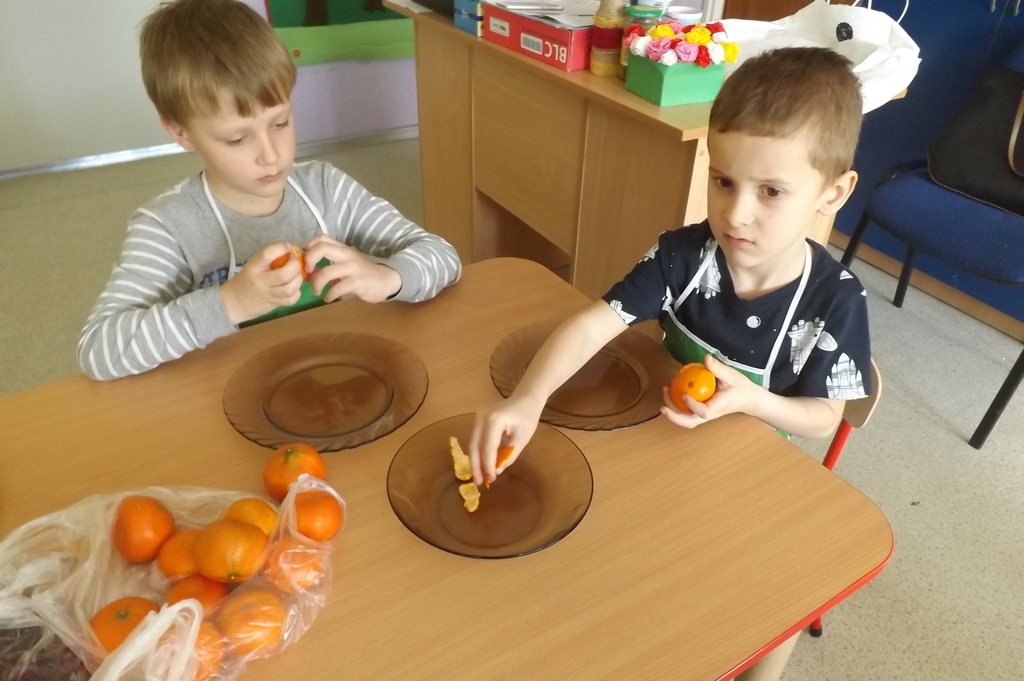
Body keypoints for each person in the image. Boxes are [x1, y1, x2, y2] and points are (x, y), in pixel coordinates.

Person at [470, 46, 873, 483]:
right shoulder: (681, 255)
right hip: (662, 442)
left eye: (771, 191)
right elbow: (589, 328)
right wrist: (529, 398)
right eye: (723, 181)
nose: (736, 214)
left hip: (749, 472)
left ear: (833, 193)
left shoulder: (838, 300)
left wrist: (752, 400)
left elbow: (823, 419)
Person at [78, 0, 460, 381]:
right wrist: (230, 302)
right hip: (226, 394)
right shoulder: (168, 227)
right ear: (180, 130)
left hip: (334, 377)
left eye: (280, 123)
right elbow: (98, 350)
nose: (271, 155)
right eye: (237, 138)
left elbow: (443, 256)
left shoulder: (328, 189)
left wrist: (386, 277)